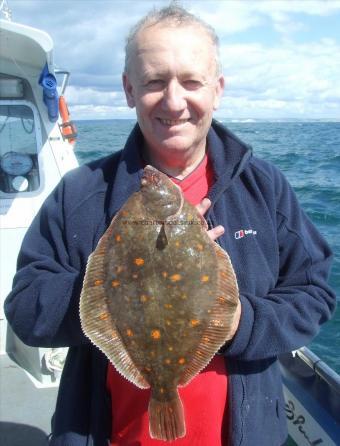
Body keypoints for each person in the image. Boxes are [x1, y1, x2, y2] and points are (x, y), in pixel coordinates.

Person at [4, 5, 336, 446]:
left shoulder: (265, 188)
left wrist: (238, 321)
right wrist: (114, 279)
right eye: (155, 82)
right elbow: (26, 309)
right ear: (128, 89)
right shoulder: (79, 193)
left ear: (217, 90)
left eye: (192, 81)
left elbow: (314, 293)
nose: (174, 101)